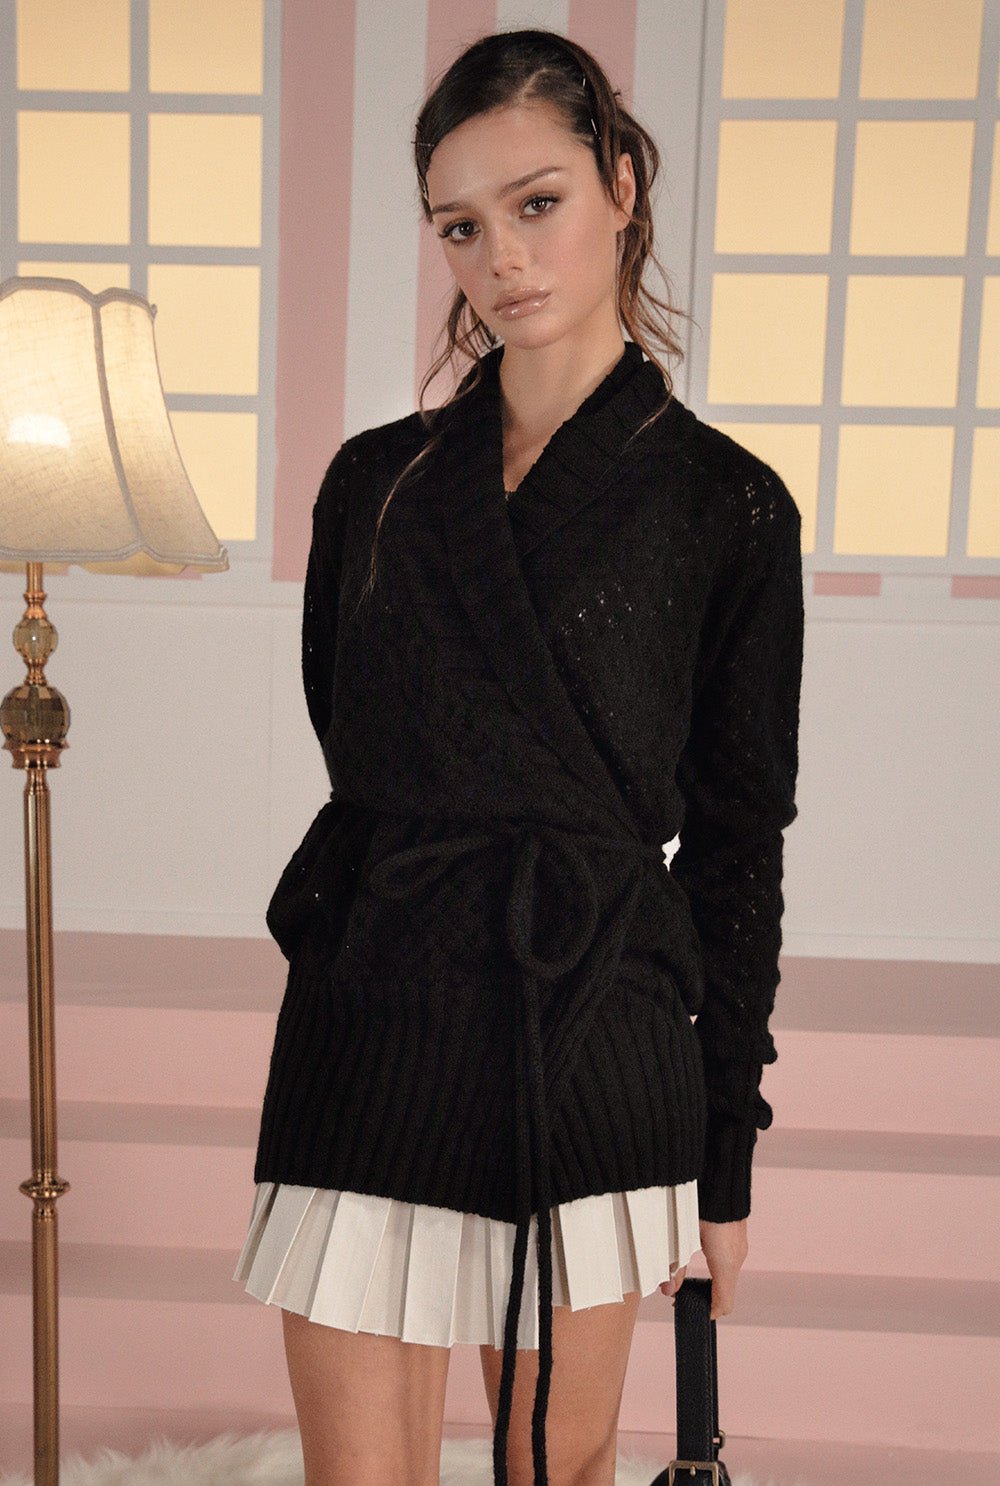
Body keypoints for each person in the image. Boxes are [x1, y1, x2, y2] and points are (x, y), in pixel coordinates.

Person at [233, 27, 804, 1486]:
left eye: (537, 202)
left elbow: (738, 848)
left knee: (560, 1472)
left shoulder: (728, 507)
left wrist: (725, 1154)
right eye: (460, 226)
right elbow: (357, 735)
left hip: (593, 1024)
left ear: (621, 186)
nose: (501, 258)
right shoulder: (375, 482)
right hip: (377, 1011)